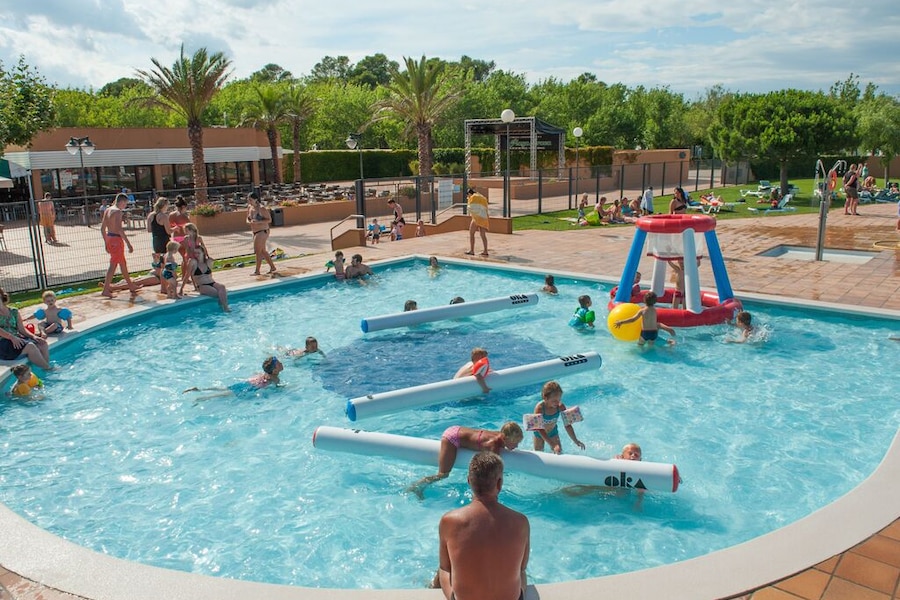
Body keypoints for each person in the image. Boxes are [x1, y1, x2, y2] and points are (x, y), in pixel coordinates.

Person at [435, 452, 530, 600]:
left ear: (469, 481)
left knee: (443, 570)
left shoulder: (449, 521)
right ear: (499, 483)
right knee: (520, 572)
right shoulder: (520, 521)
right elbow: (522, 568)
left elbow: (445, 568)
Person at [407, 422, 524, 499]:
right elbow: (491, 472)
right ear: (505, 438)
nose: (517, 446)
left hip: (457, 428)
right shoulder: (492, 445)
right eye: (515, 443)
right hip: (452, 438)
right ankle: (417, 486)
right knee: (443, 474)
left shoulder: (501, 434)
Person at [0, 287, 52, 370]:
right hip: (3, 343)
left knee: (42, 343)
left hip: (16, 339)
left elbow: (22, 329)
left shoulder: (14, 311)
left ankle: (45, 368)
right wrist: (11, 337)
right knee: (30, 346)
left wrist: (33, 336)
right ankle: (48, 369)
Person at [183, 356, 282, 399]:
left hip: (247, 383)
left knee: (223, 389)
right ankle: (201, 399)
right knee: (222, 395)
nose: (281, 363)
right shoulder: (275, 378)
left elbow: (257, 375)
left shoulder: (264, 374)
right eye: (279, 364)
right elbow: (277, 388)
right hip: (249, 388)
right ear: (274, 370)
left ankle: (200, 389)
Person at [531, 380, 585, 454]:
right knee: (539, 453)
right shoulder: (540, 408)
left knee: (559, 452)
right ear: (545, 398)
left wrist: (576, 440)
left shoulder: (560, 406)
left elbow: (567, 425)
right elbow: (539, 429)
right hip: (540, 433)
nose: (557, 402)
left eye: (559, 399)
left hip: (553, 432)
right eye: (554, 400)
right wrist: (553, 444)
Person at [100, 193, 138, 297]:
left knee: (122, 263)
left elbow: (102, 229)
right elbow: (119, 229)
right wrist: (128, 243)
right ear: (122, 202)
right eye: (125, 204)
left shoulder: (108, 210)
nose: (125, 206)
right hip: (116, 240)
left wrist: (106, 242)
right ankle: (105, 290)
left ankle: (130, 285)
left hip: (110, 237)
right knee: (113, 265)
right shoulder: (117, 212)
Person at [189, 247, 230, 312]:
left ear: (203, 253)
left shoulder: (208, 261)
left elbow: (210, 274)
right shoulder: (193, 262)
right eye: (195, 253)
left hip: (212, 282)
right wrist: (181, 289)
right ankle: (223, 308)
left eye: (198, 253)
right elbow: (187, 275)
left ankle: (225, 308)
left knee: (222, 287)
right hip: (202, 285)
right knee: (218, 293)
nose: (196, 255)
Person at [247, 192, 277, 276]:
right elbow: (247, 218)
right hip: (255, 231)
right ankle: (272, 267)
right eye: (248, 200)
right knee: (263, 251)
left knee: (258, 251)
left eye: (250, 200)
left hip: (262, 231)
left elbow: (269, 220)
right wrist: (250, 222)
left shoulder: (261, 208)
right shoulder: (249, 207)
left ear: (256, 199)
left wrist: (258, 222)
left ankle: (257, 271)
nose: (249, 201)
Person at [180, 223, 211, 295]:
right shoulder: (186, 238)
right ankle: (193, 287)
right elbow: (187, 248)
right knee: (190, 272)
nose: (185, 232)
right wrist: (186, 258)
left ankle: (198, 285)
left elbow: (203, 247)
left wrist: (207, 255)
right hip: (191, 256)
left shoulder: (198, 238)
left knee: (197, 271)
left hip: (198, 256)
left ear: (192, 230)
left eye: (186, 230)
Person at [465, 188, 490, 256]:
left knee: (471, 233)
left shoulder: (473, 197)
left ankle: (472, 250)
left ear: (469, 193)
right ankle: (485, 251)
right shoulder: (481, 197)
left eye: (467, 195)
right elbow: (485, 207)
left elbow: (471, 207)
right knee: (483, 235)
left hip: (476, 218)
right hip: (483, 218)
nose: (468, 197)